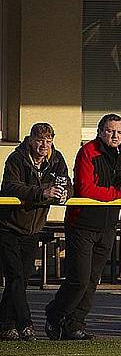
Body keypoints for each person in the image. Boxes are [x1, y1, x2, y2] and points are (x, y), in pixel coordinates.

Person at [45, 113, 121, 341]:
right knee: (79, 278)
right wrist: (117, 193)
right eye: (110, 131)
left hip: (108, 224)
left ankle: (75, 324)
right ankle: (55, 314)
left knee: (94, 279)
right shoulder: (88, 152)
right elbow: (86, 189)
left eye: (119, 132)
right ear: (100, 132)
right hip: (83, 223)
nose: (115, 136)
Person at [0, 123, 72, 341]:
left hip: (33, 228)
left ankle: (5, 324)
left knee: (22, 279)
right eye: (40, 140)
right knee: (15, 276)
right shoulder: (17, 158)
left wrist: (64, 193)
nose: (44, 145)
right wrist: (42, 192)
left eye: (49, 140)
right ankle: (26, 323)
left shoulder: (56, 159)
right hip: (9, 226)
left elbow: (67, 183)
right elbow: (10, 187)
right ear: (30, 140)